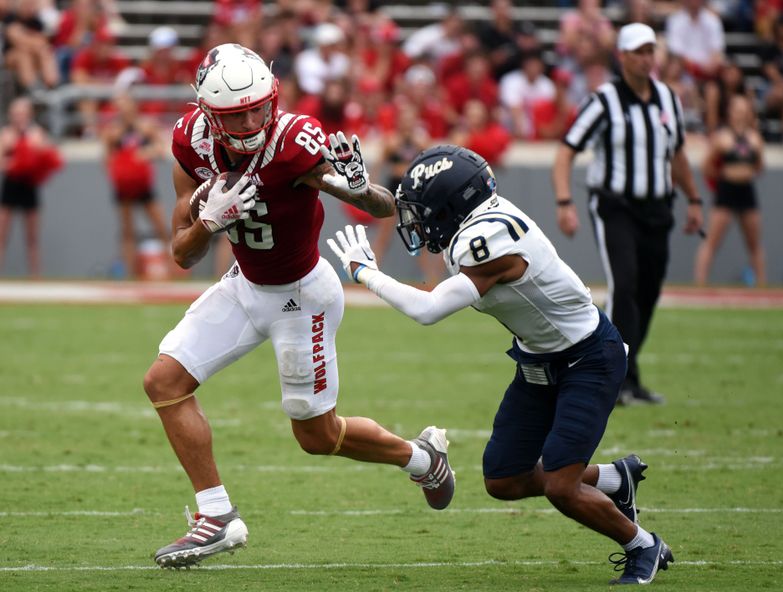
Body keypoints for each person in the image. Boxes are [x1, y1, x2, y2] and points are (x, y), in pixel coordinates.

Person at [142, 43, 455, 569]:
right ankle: (216, 516)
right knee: (163, 382)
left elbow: (379, 204)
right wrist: (207, 221)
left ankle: (421, 458)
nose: (248, 120)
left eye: (255, 106)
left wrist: (361, 187)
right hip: (244, 284)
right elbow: (181, 251)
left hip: (300, 295)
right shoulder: (190, 140)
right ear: (208, 114)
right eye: (234, 113)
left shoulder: (294, 144)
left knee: (316, 435)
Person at [328, 144, 674, 586]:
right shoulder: (479, 224)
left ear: (452, 203)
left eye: (424, 210)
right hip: (538, 357)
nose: (417, 221)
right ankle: (614, 478)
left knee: (561, 487)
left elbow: (429, 310)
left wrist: (365, 273)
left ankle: (643, 545)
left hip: (588, 357)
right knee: (504, 478)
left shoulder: (485, 241)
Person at [552, 23, 704, 406]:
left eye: (651, 49)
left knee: (649, 291)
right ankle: (611, 376)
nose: (647, 57)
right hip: (615, 205)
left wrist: (695, 199)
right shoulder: (603, 100)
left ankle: (629, 374)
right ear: (622, 56)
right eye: (639, 50)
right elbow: (566, 150)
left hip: (658, 207)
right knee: (624, 284)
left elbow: (678, 155)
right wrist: (565, 202)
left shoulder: (668, 99)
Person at [694, 95, 766, 286]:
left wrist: (747, 173)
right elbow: (706, 166)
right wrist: (723, 176)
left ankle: (761, 284)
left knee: (754, 243)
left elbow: (759, 165)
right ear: (730, 112)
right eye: (737, 110)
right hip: (727, 190)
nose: (741, 114)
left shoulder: (755, 138)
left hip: (746, 191)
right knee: (712, 240)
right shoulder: (722, 137)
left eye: (744, 110)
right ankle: (700, 283)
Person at [102, 92, 171, 279]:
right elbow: (107, 158)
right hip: (124, 185)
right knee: (127, 230)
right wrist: (119, 172)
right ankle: (129, 272)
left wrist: (146, 152)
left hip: (143, 184)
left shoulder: (146, 127)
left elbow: (161, 149)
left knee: (161, 226)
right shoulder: (113, 131)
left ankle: (173, 269)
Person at [0, 96, 62, 277]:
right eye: (16, 113)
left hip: (29, 185)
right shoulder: (6, 134)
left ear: (29, 115)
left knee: (32, 238)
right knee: (2, 235)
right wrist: (12, 161)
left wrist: (37, 150)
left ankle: (36, 277)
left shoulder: (36, 133)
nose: (19, 117)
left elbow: (49, 158)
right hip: (11, 185)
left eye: (22, 113)